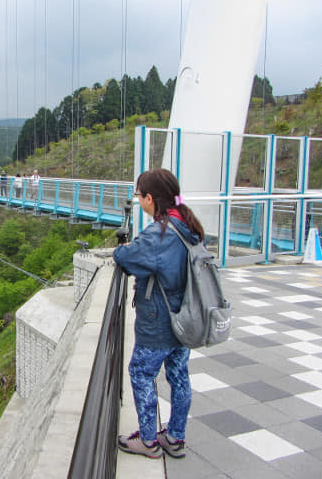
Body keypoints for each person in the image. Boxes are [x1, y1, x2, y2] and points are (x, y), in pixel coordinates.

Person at [113, 168, 205, 459]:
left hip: (159, 321)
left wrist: (121, 249)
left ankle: (149, 441)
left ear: (150, 198)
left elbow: (127, 257)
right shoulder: (188, 225)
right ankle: (175, 437)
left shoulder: (159, 232)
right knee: (178, 375)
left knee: (141, 373)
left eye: (139, 195)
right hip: (186, 318)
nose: (138, 200)